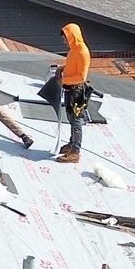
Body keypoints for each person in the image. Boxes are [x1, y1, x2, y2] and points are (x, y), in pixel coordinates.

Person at [58, 22, 92, 164]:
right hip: (69, 89)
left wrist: (64, 79)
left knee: (76, 120)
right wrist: (63, 68)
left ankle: (75, 152)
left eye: (66, 37)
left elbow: (81, 77)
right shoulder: (73, 50)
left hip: (78, 92)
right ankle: (71, 144)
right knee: (71, 118)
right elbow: (72, 65)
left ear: (73, 36)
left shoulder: (83, 52)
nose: (64, 41)